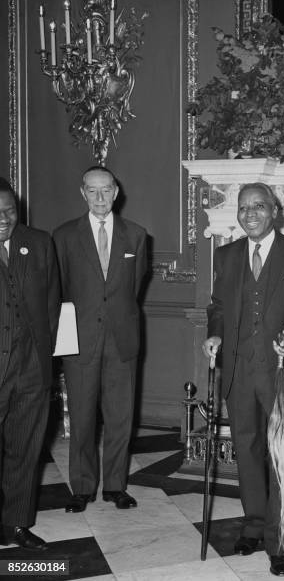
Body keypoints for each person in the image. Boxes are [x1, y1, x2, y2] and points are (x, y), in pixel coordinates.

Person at [203, 182, 284, 577]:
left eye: (259, 206)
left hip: (283, 373)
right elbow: (219, 306)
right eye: (244, 208)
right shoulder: (225, 255)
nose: (250, 213)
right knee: (247, 452)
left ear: (274, 210)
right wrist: (215, 333)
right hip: (239, 374)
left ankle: (281, 541)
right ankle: (254, 525)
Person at [53, 166, 147, 514]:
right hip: (79, 339)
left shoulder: (136, 236)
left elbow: (134, 287)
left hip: (122, 338)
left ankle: (116, 486)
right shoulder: (63, 236)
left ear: (116, 191)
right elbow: (58, 289)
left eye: (105, 190)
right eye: (92, 191)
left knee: (121, 417)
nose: (99, 198)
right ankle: (82, 487)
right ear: (82, 193)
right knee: (81, 416)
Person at [0, 177, 60, 550]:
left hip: (32, 368)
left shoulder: (38, 243)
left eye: (9, 211)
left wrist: (43, 358)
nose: (4, 219)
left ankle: (17, 524)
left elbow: (51, 302)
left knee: (25, 448)